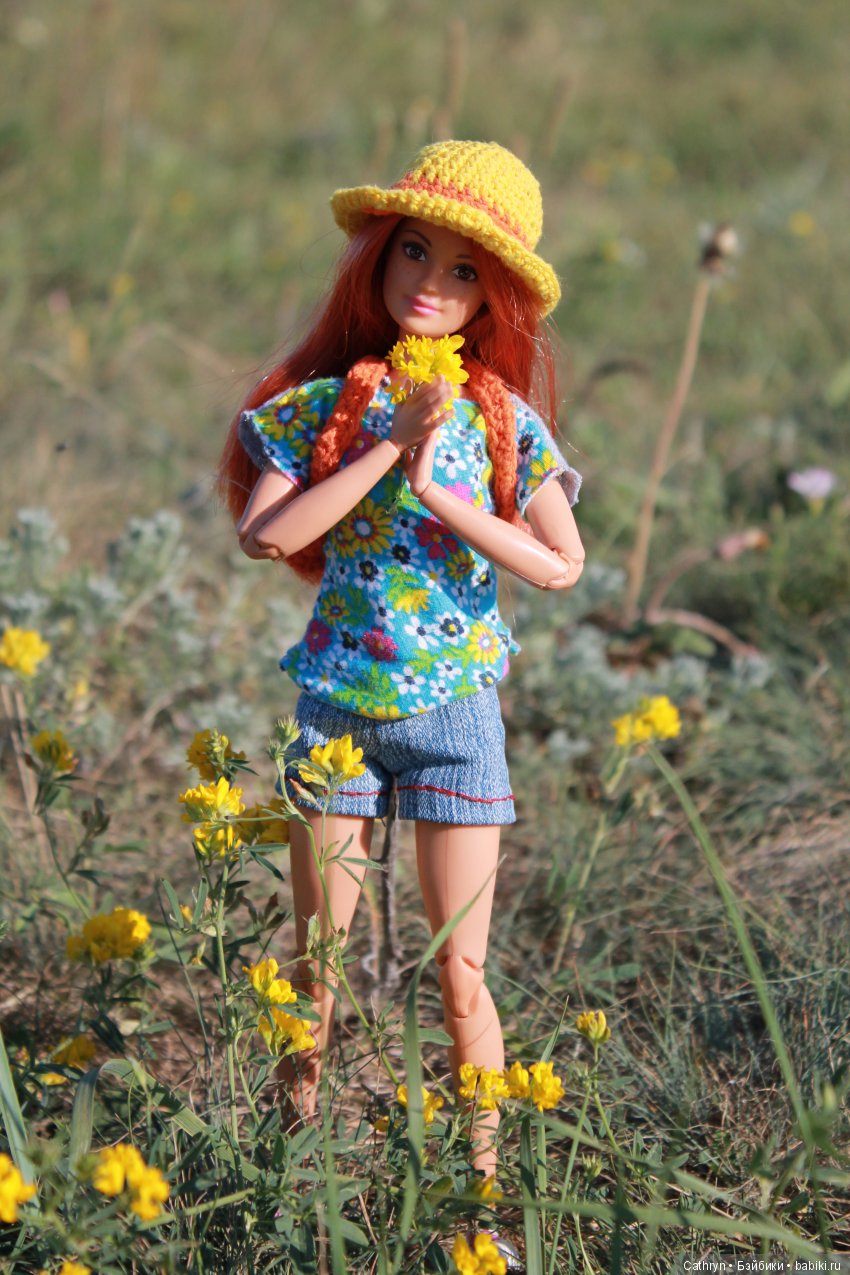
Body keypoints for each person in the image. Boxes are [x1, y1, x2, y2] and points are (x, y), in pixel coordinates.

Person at [218, 140, 585, 1205]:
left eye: (465, 270)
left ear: (496, 297)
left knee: (460, 970)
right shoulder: (323, 405)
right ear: (376, 255)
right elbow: (265, 533)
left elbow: (560, 563)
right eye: (413, 251)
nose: (430, 283)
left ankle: (483, 1191)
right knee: (314, 961)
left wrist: (441, 492)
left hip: (454, 717)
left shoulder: (504, 421)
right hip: (336, 706)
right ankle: (287, 1169)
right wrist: (388, 444)